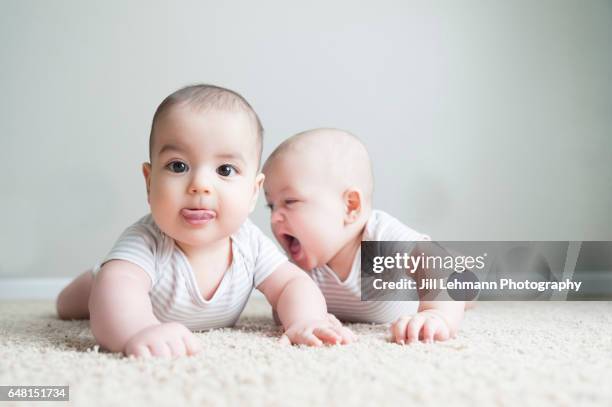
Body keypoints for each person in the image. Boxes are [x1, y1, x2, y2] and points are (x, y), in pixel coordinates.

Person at [56, 86, 354, 358]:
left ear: (253, 191)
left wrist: (305, 318)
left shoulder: (248, 242)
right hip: (105, 284)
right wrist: (138, 330)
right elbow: (117, 292)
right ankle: (90, 278)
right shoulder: (146, 240)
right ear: (150, 183)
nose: (200, 185)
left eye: (225, 170)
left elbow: (292, 283)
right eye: (178, 166)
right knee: (82, 297)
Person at [262, 128, 465, 344]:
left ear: (350, 206)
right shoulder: (300, 265)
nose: (275, 217)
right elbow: (281, 309)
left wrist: (437, 314)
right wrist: (307, 317)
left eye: (290, 202)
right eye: (271, 206)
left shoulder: (380, 238)